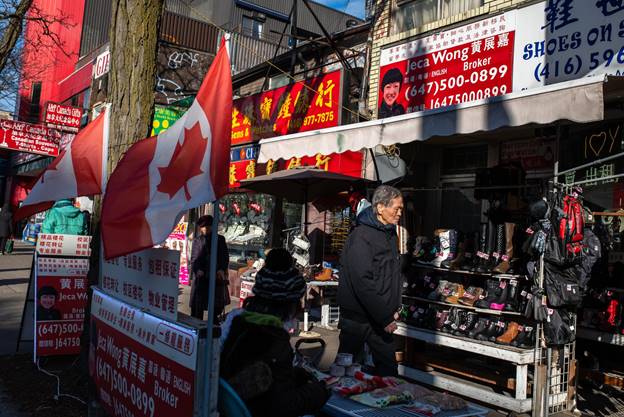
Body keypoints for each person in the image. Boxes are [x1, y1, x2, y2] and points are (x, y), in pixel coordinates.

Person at [220, 248, 330, 417]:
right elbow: (284, 406)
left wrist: (293, 374)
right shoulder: (273, 340)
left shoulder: (239, 324)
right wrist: (319, 392)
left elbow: (262, 374)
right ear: (290, 305)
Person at [337, 185, 404, 376]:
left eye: (401, 209)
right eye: (396, 208)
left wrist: (394, 307)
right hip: (357, 317)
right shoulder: (361, 236)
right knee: (345, 369)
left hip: (380, 316)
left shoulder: (390, 233)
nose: (399, 213)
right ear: (381, 207)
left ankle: (389, 403)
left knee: (389, 371)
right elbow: (362, 280)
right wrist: (385, 316)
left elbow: (389, 274)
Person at [190, 215, 230, 321]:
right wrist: (197, 270)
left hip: (215, 277)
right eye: (203, 227)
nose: (205, 229)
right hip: (201, 278)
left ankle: (213, 329)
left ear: (212, 226)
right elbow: (194, 259)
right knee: (197, 308)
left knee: (215, 308)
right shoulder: (197, 241)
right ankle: (196, 330)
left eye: (208, 226)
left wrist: (222, 269)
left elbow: (224, 257)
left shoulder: (220, 239)